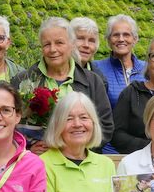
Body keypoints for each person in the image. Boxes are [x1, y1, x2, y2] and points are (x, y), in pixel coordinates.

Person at [12, 17, 113, 152]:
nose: (53, 49)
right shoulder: (22, 81)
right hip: (37, 162)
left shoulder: (93, 82)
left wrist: (73, 148)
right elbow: (9, 124)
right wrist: (28, 149)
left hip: (78, 161)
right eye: (47, 44)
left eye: (59, 43)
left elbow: (105, 127)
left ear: (72, 45)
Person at [93, 14, 146, 109]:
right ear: (108, 40)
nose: (121, 39)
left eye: (126, 35)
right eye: (116, 35)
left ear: (135, 39)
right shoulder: (96, 68)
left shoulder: (147, 69)